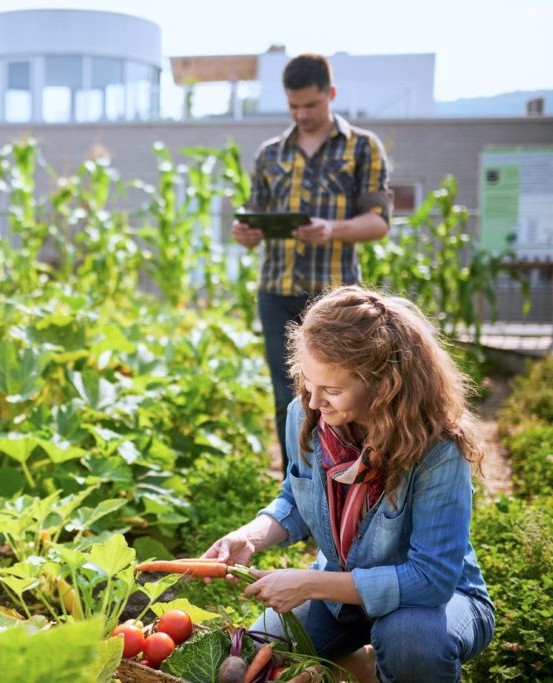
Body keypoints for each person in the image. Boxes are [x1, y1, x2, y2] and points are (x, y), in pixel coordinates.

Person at [203, 286, 495, 683]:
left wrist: (309, 583)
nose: (313, 399)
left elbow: (430, 580)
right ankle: (365, 665)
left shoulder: (437, 449)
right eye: (308, 380)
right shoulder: (305, 416)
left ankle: (392, 661)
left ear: (384, 384)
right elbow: (296, 498)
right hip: (342, 598)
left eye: (333, 390)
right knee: (255, 652)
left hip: (434, 604)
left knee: (410, 640)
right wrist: (251, 537)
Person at [233, 54, 391, 473]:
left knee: (343, 392)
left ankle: (349, 477)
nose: (302, 114)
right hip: (276, 291)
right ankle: (297, 488)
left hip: (335, 298)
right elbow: (255, 215)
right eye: (294, 107)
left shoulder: (362, 147)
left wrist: (332, 229)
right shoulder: (270, 154)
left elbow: (378, 223)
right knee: (286, 394)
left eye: (311, 105)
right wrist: (246, 233)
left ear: (330, 95)